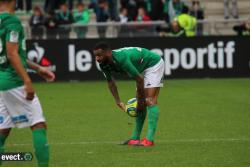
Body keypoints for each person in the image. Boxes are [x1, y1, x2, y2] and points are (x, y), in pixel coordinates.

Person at [0, 0, 55, 166]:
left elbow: (13, 53)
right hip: (13, 80)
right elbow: (12, 54)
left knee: (3, 129)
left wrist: (38, 68)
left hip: (1, 81)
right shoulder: (12, 21)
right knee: (38, 123)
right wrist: (27, 80)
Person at [93, 43, 164, 147]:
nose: (97, 58)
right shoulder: (103, 64)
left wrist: (140, 101)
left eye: (99, 55)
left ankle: (149, 139)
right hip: (140, 69)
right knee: (140, 103)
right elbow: (110, 82)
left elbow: (139, 79)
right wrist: (118, 101)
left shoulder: (121, 59)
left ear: (108, 53)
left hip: (152, 64)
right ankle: (135, 138)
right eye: (95, 55)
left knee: (149, 100)